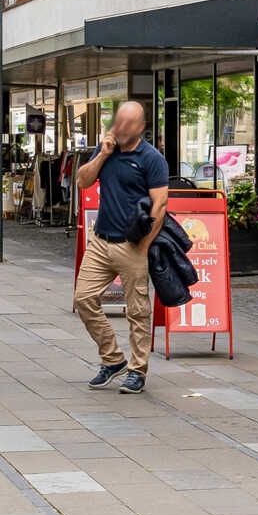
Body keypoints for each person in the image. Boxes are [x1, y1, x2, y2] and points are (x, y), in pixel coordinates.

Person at [72, 100, 170, 394]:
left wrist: (144, 244)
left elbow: (160, 204)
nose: (121, 128)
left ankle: (137, 370)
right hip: (100, 241)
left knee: (138, 311)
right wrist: (102, 154)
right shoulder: (106, 151)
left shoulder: (151, 158)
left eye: (128, 123)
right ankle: (113, 359)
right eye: (118, 122)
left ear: (140, 127)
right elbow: (82, 181)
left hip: (132, 245)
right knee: (83, 298)